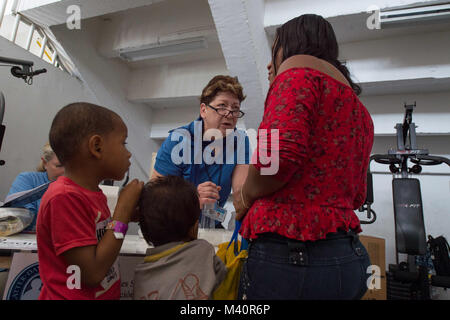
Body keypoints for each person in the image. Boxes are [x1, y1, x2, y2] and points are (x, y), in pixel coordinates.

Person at [233, 14, 374, 300]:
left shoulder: (294, 78)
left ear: (291, 47)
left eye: (276, 50)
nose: (270, 65)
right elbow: (358, 195)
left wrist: (244, 196)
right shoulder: (360, 111)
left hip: (292, 260)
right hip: (347, 256)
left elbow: (277, 157)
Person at [36, 102, 144, 300]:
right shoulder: (64, 197)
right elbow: (92, 273)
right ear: (96, 146)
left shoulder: (92, 193)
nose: (128, 153)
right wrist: (122, 213)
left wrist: (126, 216)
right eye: (123, 143)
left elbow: (103, 243)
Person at [151, 75, 250, 227]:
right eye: (222, 106)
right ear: (204, 110)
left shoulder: (241, 141)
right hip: (173, 225)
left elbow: (240, 194)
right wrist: (192, 199)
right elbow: (154, 198)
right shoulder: (178, 140)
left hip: (211, 223)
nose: (229, 114)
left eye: (235, 109)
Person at [133, 175, 227, 300]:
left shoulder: (140, 274)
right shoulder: (203, 251)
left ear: (144, 231)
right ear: (194, 227)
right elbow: (223, 275)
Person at [6, 143, 64, 232]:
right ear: (45, 163)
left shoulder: (85, 183)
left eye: (72, 166)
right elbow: (18, 219)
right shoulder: (28, 179)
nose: (66, 171)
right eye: (59, 166)